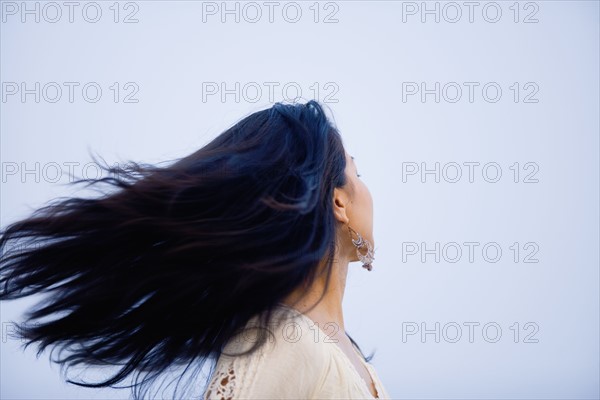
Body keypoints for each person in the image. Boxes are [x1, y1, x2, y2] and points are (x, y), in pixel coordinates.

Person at [0, 100, 390, 399]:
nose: (368, 190)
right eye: (359, 172)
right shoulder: (283, 338)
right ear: (339, 202)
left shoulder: (346, 353)